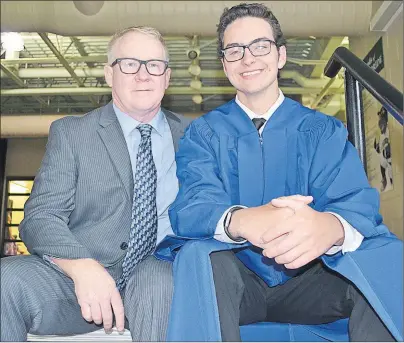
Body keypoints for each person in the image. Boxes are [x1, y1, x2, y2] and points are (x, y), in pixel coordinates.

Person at [168, 3, 401, 341]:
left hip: (313, 279)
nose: (248, 59)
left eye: (260, 46)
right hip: (238, 279)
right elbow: (193, 202)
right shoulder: (204, 133)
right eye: (234, 50)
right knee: (197, 256)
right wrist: (240, 220)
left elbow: (354, 200)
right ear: (224, 65)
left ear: (280, 55)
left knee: (384, 257)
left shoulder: (322, 130)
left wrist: (330, 226)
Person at [1, 26, 191, 342]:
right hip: (80, 283)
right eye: (130, 64)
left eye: (154, 65)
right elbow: (40, 218)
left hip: (161, 277)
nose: (143, 75)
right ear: (109, 74)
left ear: (167, 77)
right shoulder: (73, 134)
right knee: (4, 282)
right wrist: (81, 266)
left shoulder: (195, 137)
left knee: (158, 280)